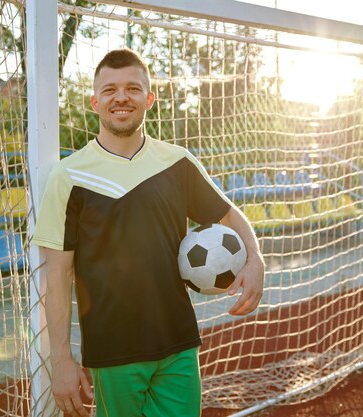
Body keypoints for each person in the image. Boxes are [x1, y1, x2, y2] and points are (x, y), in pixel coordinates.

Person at [32, 48, 265, 417]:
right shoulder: (69, 176)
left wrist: (255, 259)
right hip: (113, 353)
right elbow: (56, 275)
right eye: (109, 90)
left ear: (149, 99)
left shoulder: (177, 162)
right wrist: (60, 359)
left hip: (178, 345)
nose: (121, 97)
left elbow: (230, 216)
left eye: (132, 88)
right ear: (95, 101)